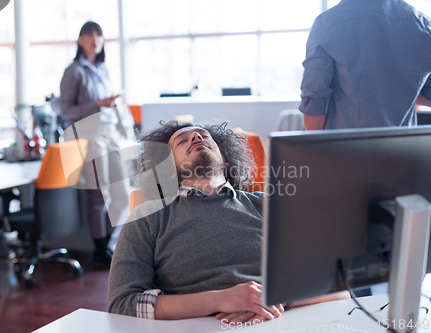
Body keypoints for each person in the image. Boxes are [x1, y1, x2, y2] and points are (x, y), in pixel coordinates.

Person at [108, 121, 349, 324]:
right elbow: (121, 304)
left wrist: (278, 297)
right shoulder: (148, 217)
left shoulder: (269, 205)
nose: (195, 136)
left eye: (204, 136)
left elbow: (340, 287)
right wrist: (219, 299)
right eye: (182, 141)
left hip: (279, 322)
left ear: (224, 160)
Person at [299, 0, 431, 130]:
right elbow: (427, 96)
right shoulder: (423, 24)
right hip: (404, 147)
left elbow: (314, 110)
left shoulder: (326, 23)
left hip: (346, 148)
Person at [59, 21, 130, 267]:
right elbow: (65, 109)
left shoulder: (103, 69)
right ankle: (100, 250)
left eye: (98, 34)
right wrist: (97, 104)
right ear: (80, 40)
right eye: (89, 34)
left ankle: (111, 243)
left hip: (110, 132)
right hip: (89, 134)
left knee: (122, 192)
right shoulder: (74, 71)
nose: (94, 38)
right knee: (100, 195)